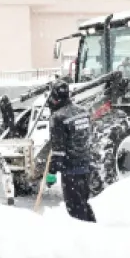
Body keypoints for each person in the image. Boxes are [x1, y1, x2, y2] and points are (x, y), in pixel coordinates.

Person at [44, 81, 97, 222]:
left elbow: (58, 151)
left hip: (71, 171)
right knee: (83, 203)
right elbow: (86, 138)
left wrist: (51, 173)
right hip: (85, 167)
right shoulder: (83, 112)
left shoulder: (58, 118)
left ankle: (83, 237)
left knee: (74, 208)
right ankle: (94, 229)